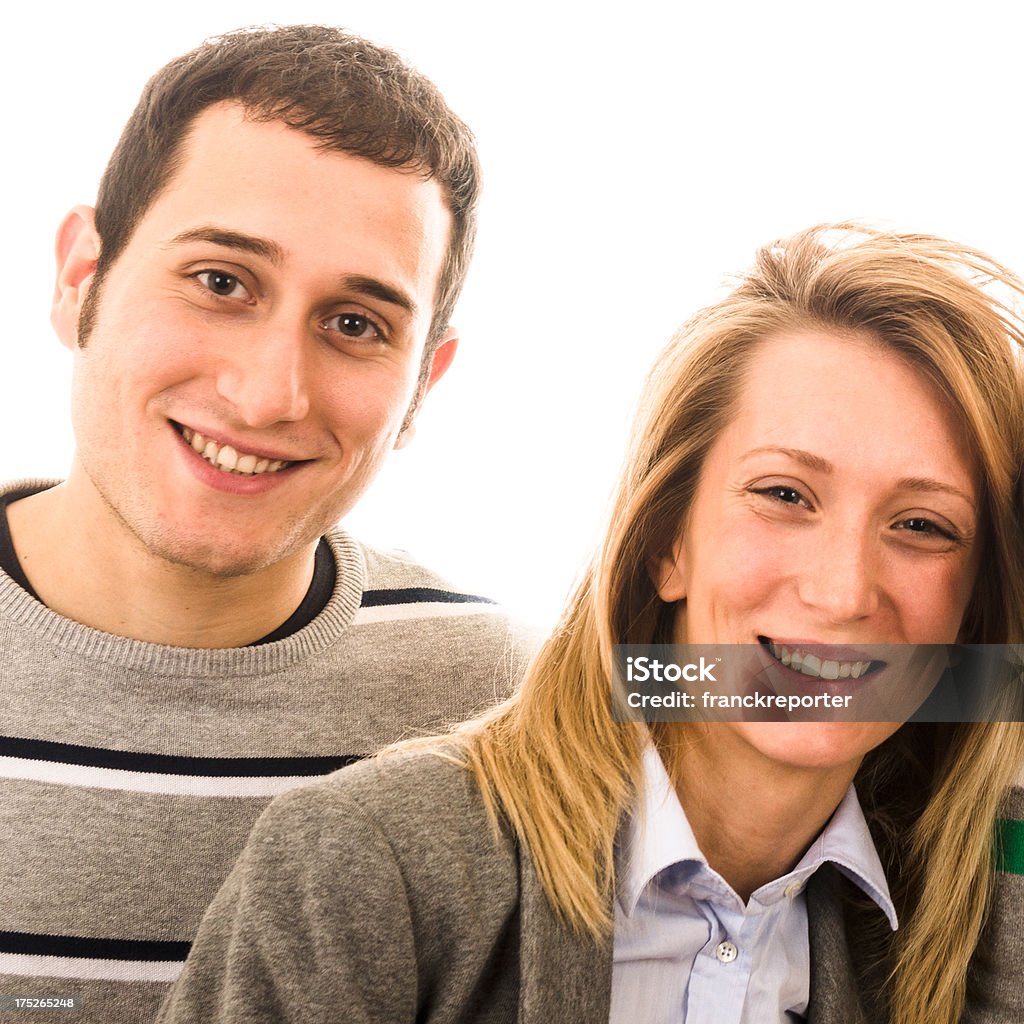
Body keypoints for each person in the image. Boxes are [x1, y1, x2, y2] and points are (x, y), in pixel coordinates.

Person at [158, 223, 1024, 1024]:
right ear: (663, 545)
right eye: (784, 496)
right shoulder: (369, 865)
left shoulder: (954, 918)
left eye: (922, 526)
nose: (842, 593)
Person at [0, 24, 532, 1023]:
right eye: (219, 281)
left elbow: (833, 691)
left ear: (423, 385)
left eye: (355, 324)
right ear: (82, 277)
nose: (266, 393)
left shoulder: (499, 701)